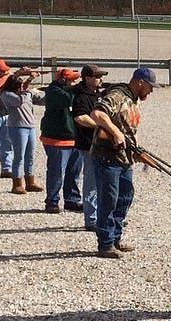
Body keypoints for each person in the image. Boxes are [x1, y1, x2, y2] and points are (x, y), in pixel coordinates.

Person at [89, 67, 156, 258]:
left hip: (124, 158)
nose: (150, 91)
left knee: (125, 196)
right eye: (149, 87)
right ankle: (106, 244)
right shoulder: (117, 95)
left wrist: (137, 150)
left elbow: (132, 129)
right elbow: (97, 114)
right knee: (108, 200)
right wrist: (116, 133)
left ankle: (116, 238)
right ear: (140, 82)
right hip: (107, 156)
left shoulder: (135, 101)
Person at [70, 65, 109, 229]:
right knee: (91, 183)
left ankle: (103, 218)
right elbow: (80, 118)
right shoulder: (81, 97)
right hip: (88, 146)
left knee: (104, 183)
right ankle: (91, 219)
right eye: (97, 77)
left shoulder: (98, 95)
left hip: (102, 145)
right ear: (87, 79)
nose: (100, 79)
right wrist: (101, 126)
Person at [40, 68, 82, 213]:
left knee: (74, 172)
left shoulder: (68, 91)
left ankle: (72, 199)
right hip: (56, 139)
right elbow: (68, 99)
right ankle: (52, 201)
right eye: (72, 80)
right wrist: (79, 90)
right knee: (56, 172)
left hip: (74, 138)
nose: (75, 83)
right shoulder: (53, 91)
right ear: (63, 80)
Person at [2, 73, 45, 194]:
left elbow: (40, 100)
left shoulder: (25, 95)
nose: (21, 88)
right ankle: (17, 183)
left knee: (30, 156)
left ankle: (30, 182)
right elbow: (19, 101)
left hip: (30, 127)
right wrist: (30, 91)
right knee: (19, 156)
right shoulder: (7, 95)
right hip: (17, 128)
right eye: (20, 86)